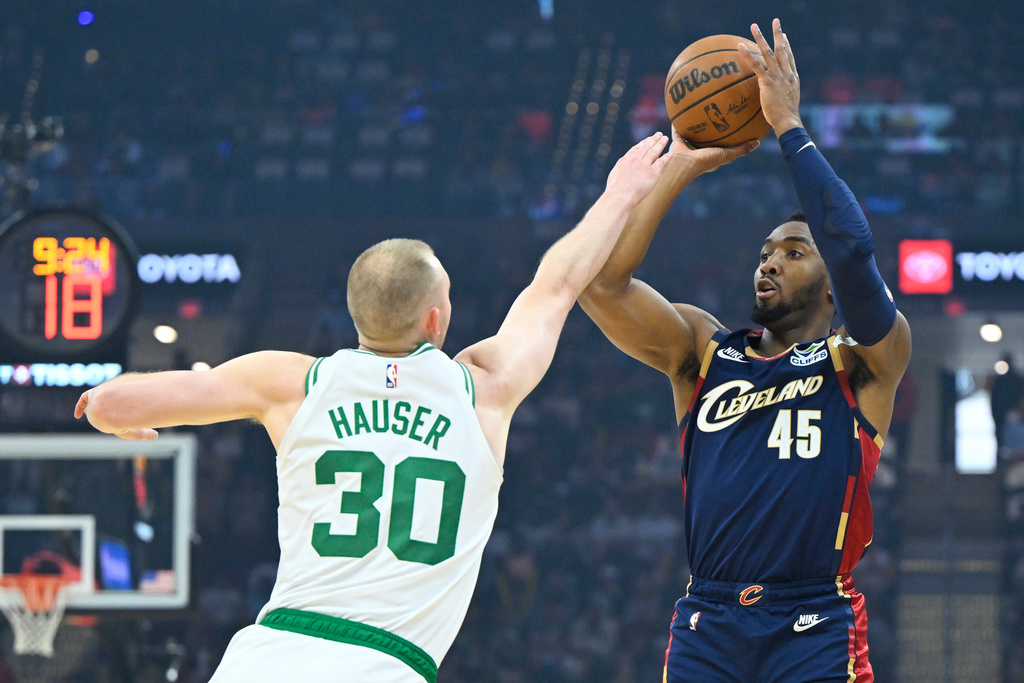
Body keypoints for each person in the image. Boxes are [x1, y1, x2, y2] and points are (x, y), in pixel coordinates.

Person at [74, 132, 684, 682]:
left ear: (356, 317)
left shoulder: (291, 382)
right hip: (385, 664)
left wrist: (105, 407)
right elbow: (555, 285)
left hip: (266, 655)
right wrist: (619, 195)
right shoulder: (484, 387)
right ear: (437, 318)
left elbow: (139, 396)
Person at [579, 20, 911, 682]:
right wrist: (678, 165)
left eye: (792, 252)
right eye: (764, 254)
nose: (769, 264)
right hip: (709, 620)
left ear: (829, 288)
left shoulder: (866, 360)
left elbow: (850, 245)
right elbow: (600, 283)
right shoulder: (703, 349)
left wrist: (790, 128)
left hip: (815, 621)